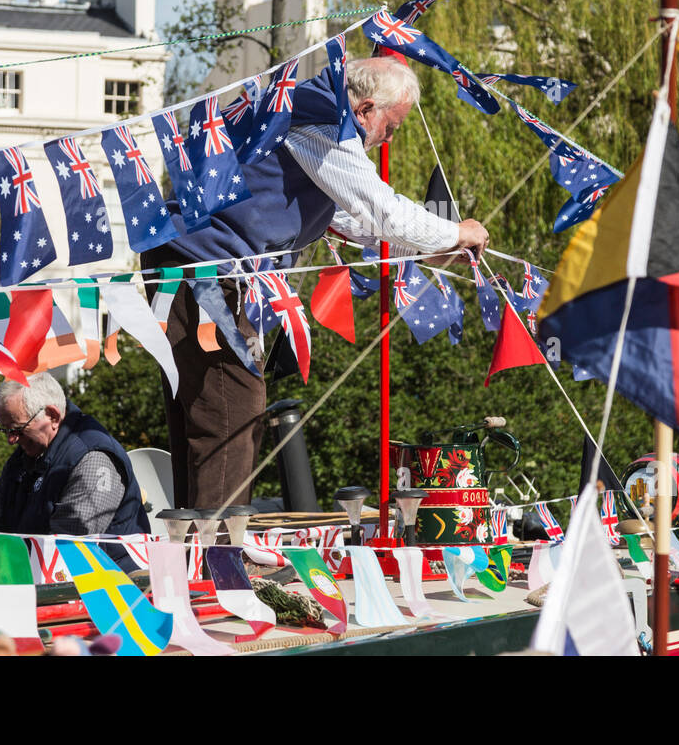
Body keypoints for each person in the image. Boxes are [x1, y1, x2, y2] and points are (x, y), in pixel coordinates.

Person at [142, 55, 490, 510]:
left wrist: (432, 245)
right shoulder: (322, 119)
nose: (390, 137)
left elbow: (354, 221)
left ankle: (192, 551)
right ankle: (215, 561)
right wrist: (455, 232)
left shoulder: (301, 110)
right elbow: (380, 208)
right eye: (392, 125)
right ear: (365, 110)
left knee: (205, 409)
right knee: (232, 412)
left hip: (190, 264)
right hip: (206, 269)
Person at [0, 372, 150, 570]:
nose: (11, 440)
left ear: (53, 416)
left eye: (18, 429)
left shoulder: (93, 457)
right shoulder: (26, 453)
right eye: (6, 429)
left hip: (107, 588)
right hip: (41, 577)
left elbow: (66, 547)